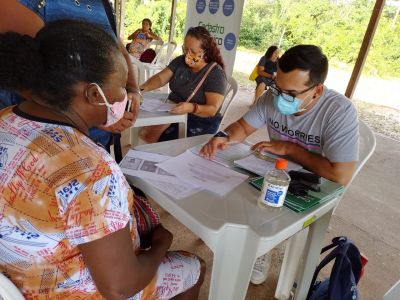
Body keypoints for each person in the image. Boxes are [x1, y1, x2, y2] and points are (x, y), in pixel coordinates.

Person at [0, 20, 205, 299]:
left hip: (14, 280)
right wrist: (160, 244)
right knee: (194, 266)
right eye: (122, 87)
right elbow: (119, 287)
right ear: (95, 94)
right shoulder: (91, 168)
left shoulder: (6, 118)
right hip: (70, 291)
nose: (126, 96)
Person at [200, 44, 359, 285]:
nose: (279, 97)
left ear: (316, 91)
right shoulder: (272, 97)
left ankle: (265, 248)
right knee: (227, 190)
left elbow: (340, 176)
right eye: (277, 86)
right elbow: (243, 128)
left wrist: (290, 149)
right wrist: (224, 136)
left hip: (312, 184)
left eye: (291, 93)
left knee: (262, 206)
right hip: (274, 172)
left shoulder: (339, 112)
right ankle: (257, 245)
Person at [0, 0, 142, 147]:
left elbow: (120, 51)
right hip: (40, 139)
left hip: (88, 137)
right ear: (94, 95)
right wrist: (90, 115)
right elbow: (31, 69)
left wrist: (133, 89)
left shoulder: (102, 4)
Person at [139, 26, 227, 142]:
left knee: (152, 135)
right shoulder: (180, 61)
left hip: (198, 119)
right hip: (174, 109)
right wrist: (140, 89)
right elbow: (161, 78)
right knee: (145, 132)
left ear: (206, 52)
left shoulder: (215, 74)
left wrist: (191, 107)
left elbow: (212, 110)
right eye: (185, 49)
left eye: (193, 52)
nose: (187, 55)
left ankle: (159, 157)